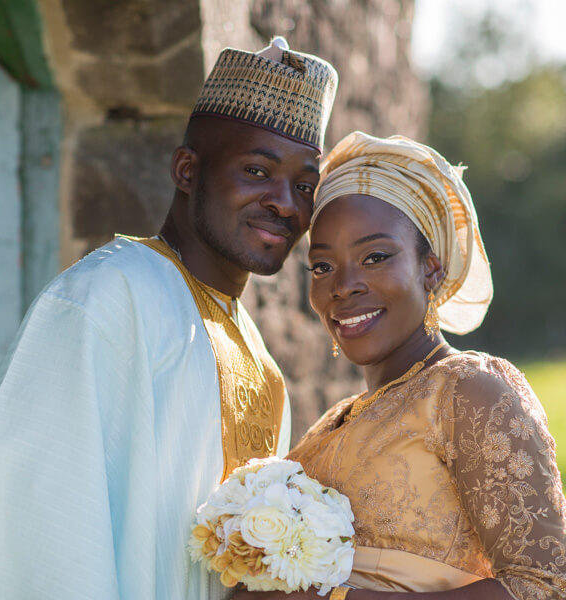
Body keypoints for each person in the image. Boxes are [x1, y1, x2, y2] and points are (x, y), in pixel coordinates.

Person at [0, 38, 338, 600]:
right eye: (257, 170)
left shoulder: (260, 359)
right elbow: (34, 530)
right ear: (187, 170)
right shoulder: (107, 296)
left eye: (305, 186)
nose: (286, 203)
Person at [234, 132, 566, 599]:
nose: (343, 286)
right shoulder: (334, 422)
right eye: (323, 266)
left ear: (430, 267)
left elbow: (546, 586)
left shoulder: (469, 392)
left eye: (375, 257)